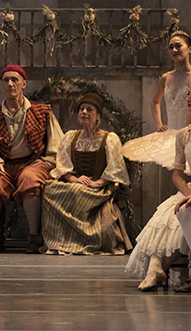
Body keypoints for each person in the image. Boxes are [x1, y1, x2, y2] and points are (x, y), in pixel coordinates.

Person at [0, 64, 64, 254]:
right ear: (1, 84)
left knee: (30, 180)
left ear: (24, 83)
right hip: (5, 165)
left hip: (33, 162)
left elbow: (57, 145)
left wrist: (46, 161)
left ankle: (34, 237)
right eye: (6, 80)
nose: (10, 84)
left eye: (14, 80)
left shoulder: (42, 112)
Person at [41, 93, 132, 255]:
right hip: (76, 182)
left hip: (100, 185)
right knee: (49, 188)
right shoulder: (70, 137)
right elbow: (62, 165)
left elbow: (116, 168)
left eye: (89, 110)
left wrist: (99, 182)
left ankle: (84, 238)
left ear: (98, 116)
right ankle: (62, 239)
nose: (84, 112)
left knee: (78, 193)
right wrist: (74, 179)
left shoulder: (109, 139)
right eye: (81, 109)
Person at [125, 91, 191, 291]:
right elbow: (177, 175)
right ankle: (155, 268)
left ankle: (157, 268)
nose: (189, 102)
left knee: (182, 212)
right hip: (189, 190)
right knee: (171, 213)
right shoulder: (183, 135)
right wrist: (188, 195)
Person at [122, 32, 191, 172]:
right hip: (170, 134)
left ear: (189, 48)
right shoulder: (166, 78)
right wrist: (159, 125)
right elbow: (155, 102)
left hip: (188, 135)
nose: (174, 50)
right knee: (174, 174)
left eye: (178, 46)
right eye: (171, 47)